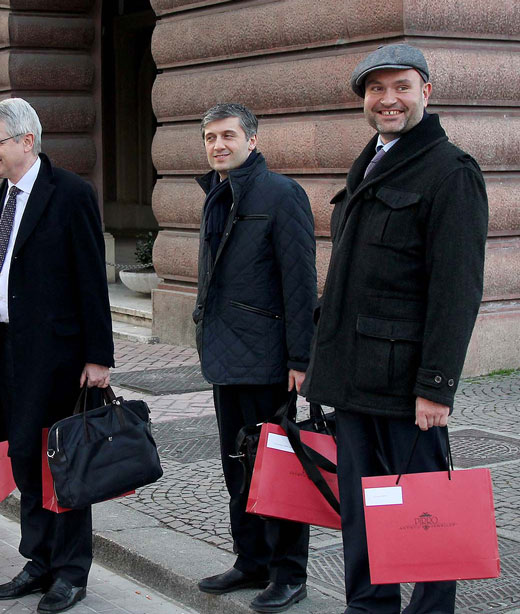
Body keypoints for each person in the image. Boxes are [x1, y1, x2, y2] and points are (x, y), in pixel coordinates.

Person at [302, 44, 489, 614]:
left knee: (425, 505)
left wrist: (436, 385)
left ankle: (432, 610)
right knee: (362, 504)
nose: (389, 100)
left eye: (401, 87)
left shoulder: (451, 171)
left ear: (425, 92)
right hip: (354, 378)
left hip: (408, 384)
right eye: (376, 89)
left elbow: (456, 290)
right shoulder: (374, 159)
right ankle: (369, 606)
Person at [0, 98, 114, 614]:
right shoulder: (1, 196)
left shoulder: (70, 193)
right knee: (25, 458)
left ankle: (71, 571)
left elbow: (91, 279)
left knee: (63, 462)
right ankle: (39, 559)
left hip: (57, 357)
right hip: (6, 350)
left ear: (26, 142)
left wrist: (99, 356)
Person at [192, 103, 316, 613]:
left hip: (268, 359)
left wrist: (300, 357)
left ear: (252, 140)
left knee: (280, 468)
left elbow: (299, 280)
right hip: (225, 356)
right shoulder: (215, 195)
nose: (218, 145)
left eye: (227, 136)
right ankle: (250, 561)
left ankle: (289, 573)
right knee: (237, 465)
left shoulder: (282, 194)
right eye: (210, 138)